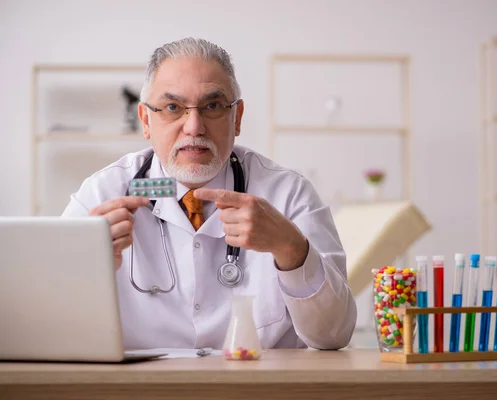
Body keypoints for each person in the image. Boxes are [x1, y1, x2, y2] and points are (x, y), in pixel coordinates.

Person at [62, 37, 357, 351]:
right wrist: (85, 272)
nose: (194, 127)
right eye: (173, 107)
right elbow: (50, 325)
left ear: (237, 117)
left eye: (213, 106)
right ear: (146, 120)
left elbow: (333, 336)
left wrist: (292, 250)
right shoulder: (100, 195)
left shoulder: (288, 195)